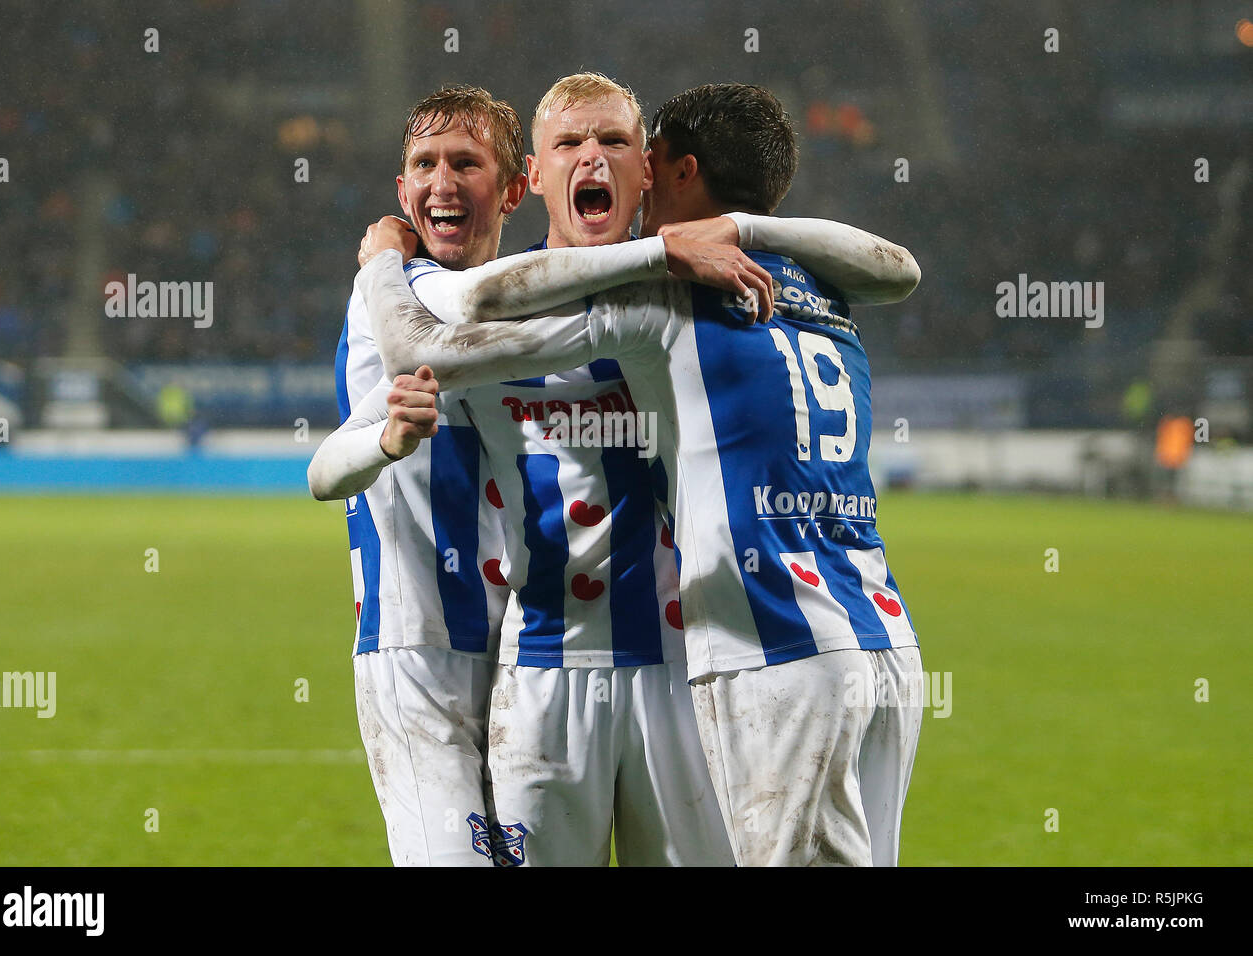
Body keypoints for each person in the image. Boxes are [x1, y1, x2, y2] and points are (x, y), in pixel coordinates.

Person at [321, 82, 923, 866]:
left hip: (681, 665)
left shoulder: (685, 293)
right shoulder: (501, 306)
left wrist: (713, 235)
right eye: (568, 144)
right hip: (544, 667)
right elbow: (341, 449)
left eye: (611, 142)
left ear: (646, 171)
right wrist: (385, 416)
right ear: (536, 177)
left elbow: (892, 269)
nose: (590, 159)